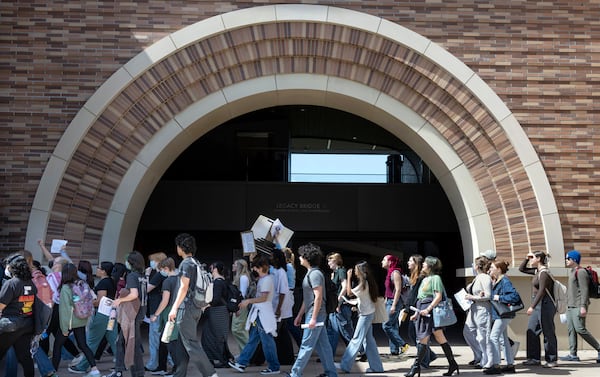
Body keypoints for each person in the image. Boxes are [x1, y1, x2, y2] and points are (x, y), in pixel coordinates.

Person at [167, 233, 218, 377]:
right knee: (182, 344)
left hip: (186, 308)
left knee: (190, 343)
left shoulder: (186, 264)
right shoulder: (196, 263)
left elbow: (184, 287)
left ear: (181, 248)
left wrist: (174, 308)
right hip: (196, 307)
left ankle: (210, 374)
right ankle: (179, 374)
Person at [285, 243, 337, 377]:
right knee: (324, 346)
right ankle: (331, 373)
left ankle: (295, 373)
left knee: (306, 345)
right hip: (314, 314)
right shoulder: (312, 273)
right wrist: (300, 315)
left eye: (302, 255)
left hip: (316, 314)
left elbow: (318, 297)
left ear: (307, 258)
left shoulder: (314, 275)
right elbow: (308, 298)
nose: (299, 257)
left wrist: (313, 318)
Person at [405, 256, 459, 377]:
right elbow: (420, 299)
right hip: (424, 311)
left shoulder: (435, 278)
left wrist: (428, 309)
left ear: (430, 266)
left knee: (423, 339)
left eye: (424, 263)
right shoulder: (425, 278)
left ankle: (415, 368)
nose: (422, 265)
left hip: (430, 312)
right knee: (440, 338)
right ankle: (452, 364)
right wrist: (416, 313)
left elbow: (438, 296)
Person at [228, 254, 280, 375]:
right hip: (261, 314)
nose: (254, 269)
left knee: (266, 341)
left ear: (261, 267)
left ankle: (273, 366)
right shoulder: (265, 279)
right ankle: (242, 362)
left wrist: (248, 301)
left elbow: (264, 298)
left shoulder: (266, 280)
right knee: (254, 339)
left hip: (263, 314)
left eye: (256, 267)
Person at [104, 251, 148, 377]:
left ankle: (135, 372)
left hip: (132, 313)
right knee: (123, 342)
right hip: (139, 312)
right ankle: (119, 370)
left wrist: (120, 300)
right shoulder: (142, 275)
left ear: (131, 263)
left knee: (131, 343)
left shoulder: (132, 276)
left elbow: (134, 294)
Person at [335, 261, 384, 373]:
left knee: (356, 340)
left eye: (356, 270)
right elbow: (364, 298)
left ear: (361, 271)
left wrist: (348, 277)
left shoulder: (363, 283)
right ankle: (377, 367)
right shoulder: (368, 282)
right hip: (368, 313)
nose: (355, 272)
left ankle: (345, 365)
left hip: (365, 315)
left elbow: (349, 292)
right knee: (369, 341)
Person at [69, 261, 117, 374]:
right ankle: (122, 363)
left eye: (99, 268)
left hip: (101, 314)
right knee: (113, 340)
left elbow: (100, 301)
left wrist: (86, 302)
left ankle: (82, 366)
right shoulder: (111, 281)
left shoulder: (103, 283)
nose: (97, 269)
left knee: (92, 341)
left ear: (104, 271)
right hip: (111, 314)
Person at [54, 263, 101, 377]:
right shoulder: (82, 284)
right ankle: (95, 370)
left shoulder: (66, 287)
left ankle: (53, 372)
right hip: (81, 319)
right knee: (83, 345)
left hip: (69, 321)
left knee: (57, 345)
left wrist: (65, 328)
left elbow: (65, 310)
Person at [519, 250, 558, 367]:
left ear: (539, 259)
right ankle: (534, 358)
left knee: (548, 332)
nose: (531, 260)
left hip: (545, 304)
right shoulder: (537, 271)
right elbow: (522, 269)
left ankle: (552, 359)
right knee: (531, 330)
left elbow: (541, 291)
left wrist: (532, 306)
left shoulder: (544, 273)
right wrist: (526, 258)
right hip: (538, 305)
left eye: (533, 258)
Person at [560, 250, 600, 363]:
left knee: (580, 329)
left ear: (574, 260)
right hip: (570, 306)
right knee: (571, 330)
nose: (566, 260)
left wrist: (583, 306)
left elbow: (584, 290)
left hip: (578, 306)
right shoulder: (572, 271)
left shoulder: (581, 272)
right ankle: (573, 354)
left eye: (568, 258)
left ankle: (599, 348)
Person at [0, 253, 37, 377]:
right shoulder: (31, 283)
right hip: (27, 324)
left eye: (8, 266)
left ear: (13, 267)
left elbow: (1, 306)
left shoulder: (11, 283)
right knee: (25, 356)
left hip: (11, 325)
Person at [487, 260, 521, 374]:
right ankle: (509, 364)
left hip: (503, 314)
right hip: (500, 314)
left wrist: (498, 297)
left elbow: (514, 296)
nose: (490, 269)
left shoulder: (505, 281)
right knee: (504, 339)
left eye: (492, 267)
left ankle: (496, 365)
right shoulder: (497, 281)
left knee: (493, 337)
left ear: (499, 269)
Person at [403, 254, 437, 368]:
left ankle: (424, 361)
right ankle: (430, 355)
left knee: (419, 336)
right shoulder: (414, 276)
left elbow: (415, 295)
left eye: (410, 261)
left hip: (419, 309)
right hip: (414, 308)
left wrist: (408, 309)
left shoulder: (421, 278)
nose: (408, 262)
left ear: (416, 263)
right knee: (413, 334)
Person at [151, 257, 180, 375]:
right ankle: (162, 366)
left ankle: (175, 369)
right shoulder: (180, 279)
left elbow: (164, 301)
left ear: (167, 268)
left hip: (168, 313)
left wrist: (156, 314)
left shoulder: (167, 281)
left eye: (161, 269)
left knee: (170, 342)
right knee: (165, 340)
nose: (160, 272)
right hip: (177, 311)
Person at [463, 256, 493, 370]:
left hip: (482, 309)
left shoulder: (485, 277)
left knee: (483, 335)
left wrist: (473, 296)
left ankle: (487, 360)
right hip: (474, 308)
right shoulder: (478, 278)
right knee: (468, 331)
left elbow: (488, 295)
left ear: (477, 266)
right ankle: (479, 355)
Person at [202, 261, 234, 368]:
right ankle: (224, 359)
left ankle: (220, 360)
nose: (210, 269)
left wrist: (206, 305)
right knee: (219, 336)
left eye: (212, 268)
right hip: (222, 312)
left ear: (215, 269)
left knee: (210, 336)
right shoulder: (223, 281)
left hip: (217, 312)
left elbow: (215, 300)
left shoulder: (217, 282)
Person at [381, 254, 409, 356]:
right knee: (393, 325)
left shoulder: (395, 272)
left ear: (390, 262)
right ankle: (394, 350)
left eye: (384, 260)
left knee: (386, 325)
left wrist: (394, 305)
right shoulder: (389, 272)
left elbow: (398, 290)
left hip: (394, 302)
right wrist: (385, 300)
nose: (382, 261)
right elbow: (389, 289)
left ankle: (403, 344)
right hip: (389, 300)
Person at [326, 252, 353, 356]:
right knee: (333, 330)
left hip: (341, 305)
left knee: (345, 329)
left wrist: (338, 301)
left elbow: (345, 286)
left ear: (336, 261)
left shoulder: (341, 271)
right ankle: (329, 353)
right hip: (335, 305)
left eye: (330, 260)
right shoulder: (335, 272)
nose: (328, 263)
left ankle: (359, 350)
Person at [145, 252, 168, 373]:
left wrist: (147, 275)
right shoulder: (166, 275)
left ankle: (153, 364)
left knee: (154, 338)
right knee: (163, 337)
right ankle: (169, 361)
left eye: (153, 260)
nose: (151, 263)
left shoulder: (158, 275)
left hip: (156, 310)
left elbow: (147, 289)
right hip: (162, 310)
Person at [231, 258, 251, 353]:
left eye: (235, 264)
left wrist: (237, 308)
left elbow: (242, 294)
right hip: (241, 305)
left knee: (237, 329)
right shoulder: (241, 277)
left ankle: (248, 352)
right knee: (240, 329)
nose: (233, 266)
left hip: (241, 306)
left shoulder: (243, 278)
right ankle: (244, 353)